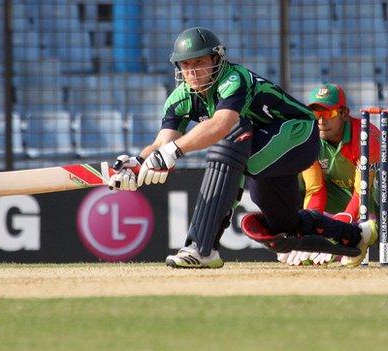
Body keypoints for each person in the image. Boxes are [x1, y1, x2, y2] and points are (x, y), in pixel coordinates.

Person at [107, 27, 377, 268]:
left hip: (299, 136)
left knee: (232, 138)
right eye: (185, 64)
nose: (192, 71)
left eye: (199, 62)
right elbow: (161, 142)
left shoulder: (234, 79)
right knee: (283, 226)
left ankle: (202, 247)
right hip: (263, 156)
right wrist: (137, 163)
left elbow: (223, 123)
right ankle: (357, 235)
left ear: (216, 59)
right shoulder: (180, 99)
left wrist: (173, 152)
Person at [278, 83, 381, 266]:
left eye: (328, 114)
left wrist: (341, 228)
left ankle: (365, 229)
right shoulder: (309, 140)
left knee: (379, 185)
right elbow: (315, 189)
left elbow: (361, 192)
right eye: (316, 114)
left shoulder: (365, 137)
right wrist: (308, 231)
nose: (321, 121)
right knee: (290, 176)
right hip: (342, 197)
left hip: (373, 200)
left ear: (344, 113)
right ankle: (294, 230)